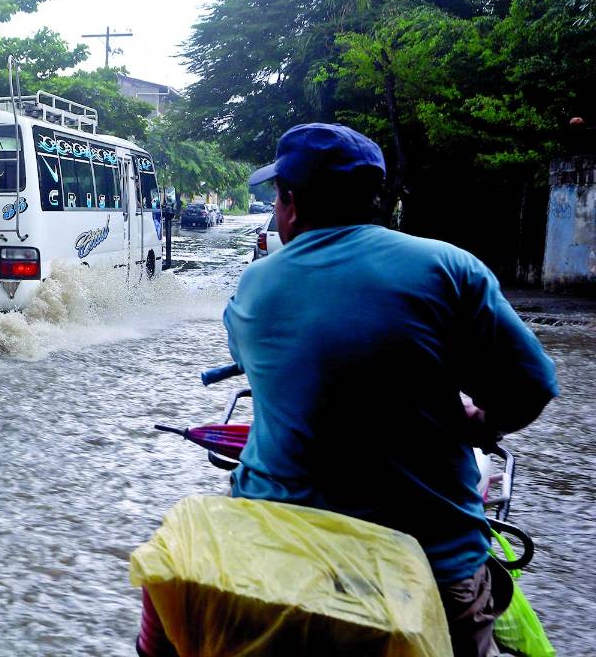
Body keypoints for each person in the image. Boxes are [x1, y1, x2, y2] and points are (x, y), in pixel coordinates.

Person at [222, 123, 558, 657]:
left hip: (283, 561)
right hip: (430, 566)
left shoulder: (256, 283)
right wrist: (482, 422)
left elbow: (257, 361)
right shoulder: (449, 267)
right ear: (374, 199)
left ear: (290, 203)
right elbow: (531, 387)